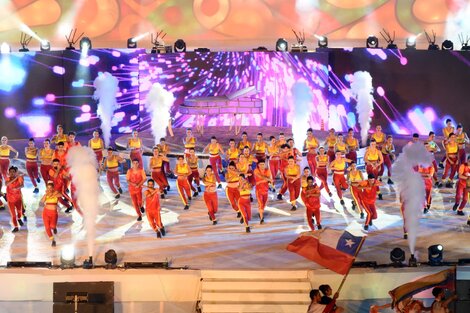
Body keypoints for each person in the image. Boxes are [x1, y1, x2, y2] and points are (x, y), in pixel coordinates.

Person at [40, 181, 71, 246]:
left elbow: (61, 195)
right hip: (45, 213)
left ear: (53, 188)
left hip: (53, 213)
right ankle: (53, 240)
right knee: (47, 228)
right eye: (48, 188)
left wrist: (53, 194)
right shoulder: (46, 195)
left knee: (52, 226)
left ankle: (54, 228)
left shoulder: (56, 193)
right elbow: (42, 202)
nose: (49, 189)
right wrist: (46, 195)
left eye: (50, 188)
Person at [6, 166, 25, 233]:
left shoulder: (19, 178)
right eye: (10, 172)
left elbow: (22, 185)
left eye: (13, 172)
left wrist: (17, 188)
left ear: (16, 172)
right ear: (9, 172)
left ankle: (19, 218)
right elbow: (7, 184)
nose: (12, 173)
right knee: (13, 215)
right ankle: (16, 227)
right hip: (10, 200)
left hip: (18, 199)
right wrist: (15, 178)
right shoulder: (8, 178)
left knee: (19, 212)